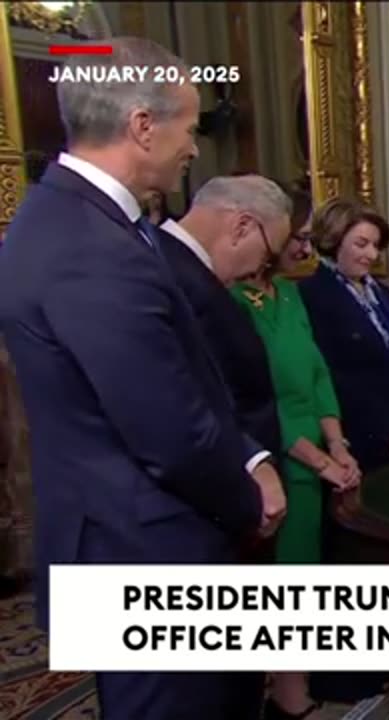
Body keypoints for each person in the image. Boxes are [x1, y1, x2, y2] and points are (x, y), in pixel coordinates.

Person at [0, 37, 285, 719]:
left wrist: (247, 452)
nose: (194, 147)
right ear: (141, 126)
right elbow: (169, 429)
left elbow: (180, 374)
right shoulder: (88, 245)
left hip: (129, 539)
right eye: (187, 128)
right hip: (145, 552)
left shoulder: (71, 219)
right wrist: (252, 501)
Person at [232, 206, 360, 719]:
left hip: (318, 450)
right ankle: (288, 696)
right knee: (286, 583)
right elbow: (258, 402)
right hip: (278, 458)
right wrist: (318, 460)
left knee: (314, 575)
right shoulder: (233, 301)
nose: (307, 249)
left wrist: (339, 443)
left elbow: (316, 373)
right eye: (298, 239)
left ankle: (304, 681)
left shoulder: (290, 293)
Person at [155, 175, 292, 458]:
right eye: (267, 256)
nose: (258, 269)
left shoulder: (178, 265)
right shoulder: (170, 275)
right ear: (242, 227)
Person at [299, 198, 389, 470]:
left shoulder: (382, 293)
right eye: (361, 244)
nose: (372, 254)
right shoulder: (313, 295)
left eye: (376, 246)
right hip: (358, 438)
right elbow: (334, 377)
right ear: (334, 241)